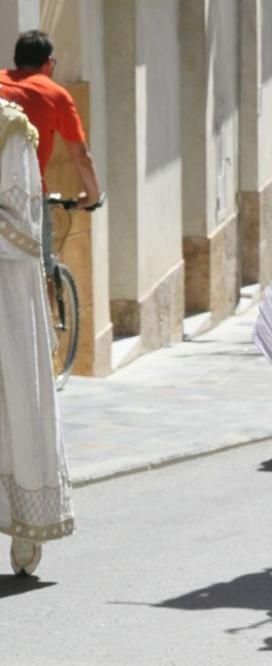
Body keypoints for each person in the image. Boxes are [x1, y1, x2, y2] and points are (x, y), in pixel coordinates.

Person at [0, 98, 74, 575]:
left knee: (16, 403)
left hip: (5, 295)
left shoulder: (10, 128)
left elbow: (23, 228)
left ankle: (25, 536)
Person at [0, 30, 102, 269]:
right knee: (38, 271)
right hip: (24, 199)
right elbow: (81, 157)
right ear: (48, 64)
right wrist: (92, 196)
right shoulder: (55, 95)